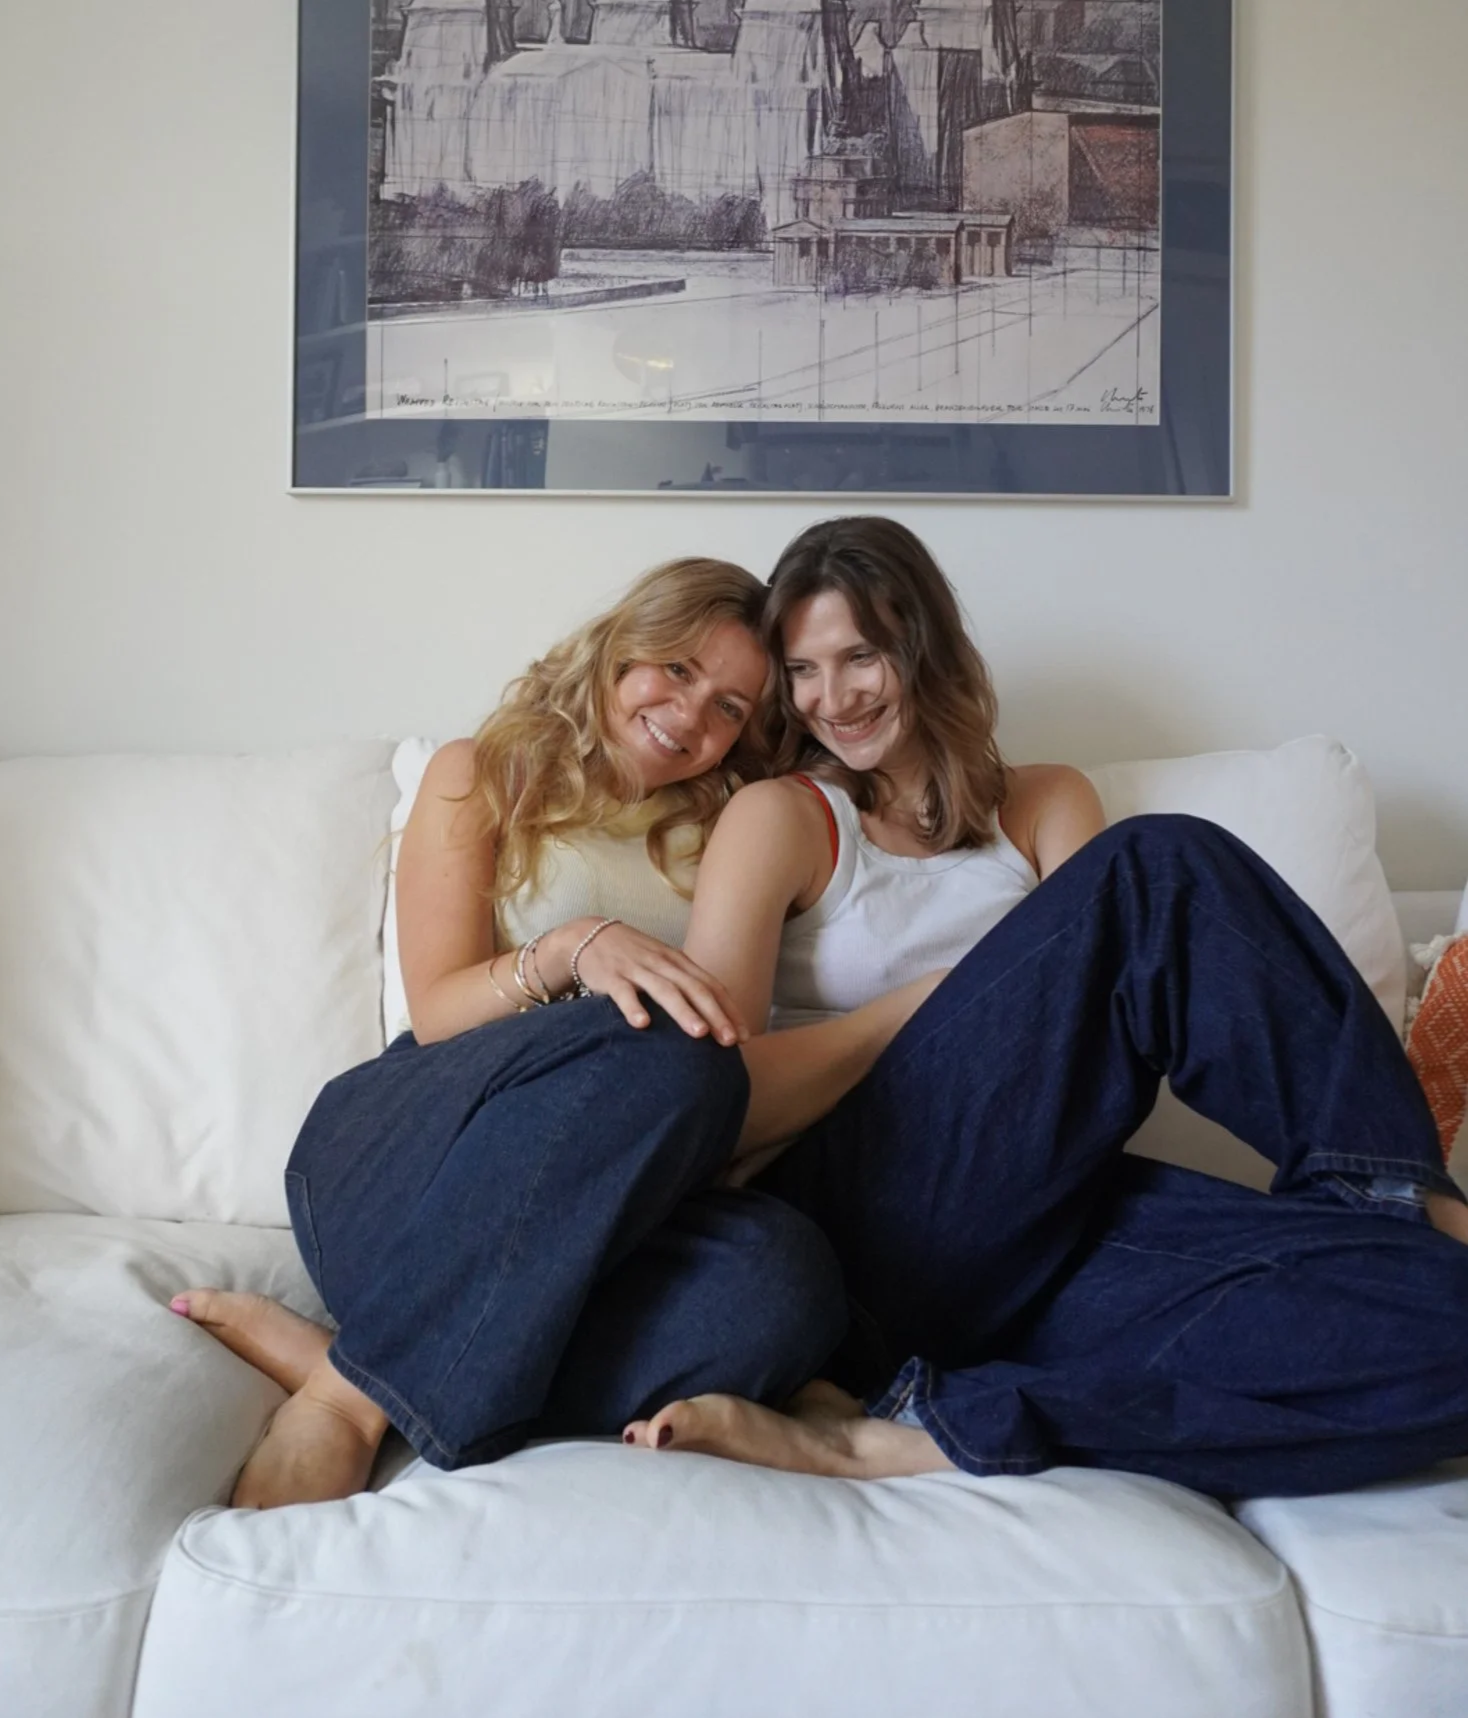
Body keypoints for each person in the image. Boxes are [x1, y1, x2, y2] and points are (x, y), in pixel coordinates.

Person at [620, 516, 1468, 1498]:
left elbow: (1097, 1029)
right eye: (803, 671)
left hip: (1044, 1218)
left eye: (860, 656)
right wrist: (930, 1002)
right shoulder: (784, 817)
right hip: (864, 1215)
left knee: (1446, 1319)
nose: (831, 698)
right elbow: (714, 1100)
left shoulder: (1044, 803)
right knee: (1160, 868)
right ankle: (1406, 1196)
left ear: (925, 645)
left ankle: (924, 1430)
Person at [175, 556, 845, 1507]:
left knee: (787, 1286)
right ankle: (345, 1405)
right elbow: (437, 1011)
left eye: (730, 707)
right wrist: (574, 950)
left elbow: (722, 1063)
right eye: (678, 670)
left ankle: (365, 1360)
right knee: (669, 1039)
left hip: (577, 1226)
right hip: (407, 1163)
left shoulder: (735, 824)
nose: (692, 714)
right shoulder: (483, 771)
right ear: (621, 650)